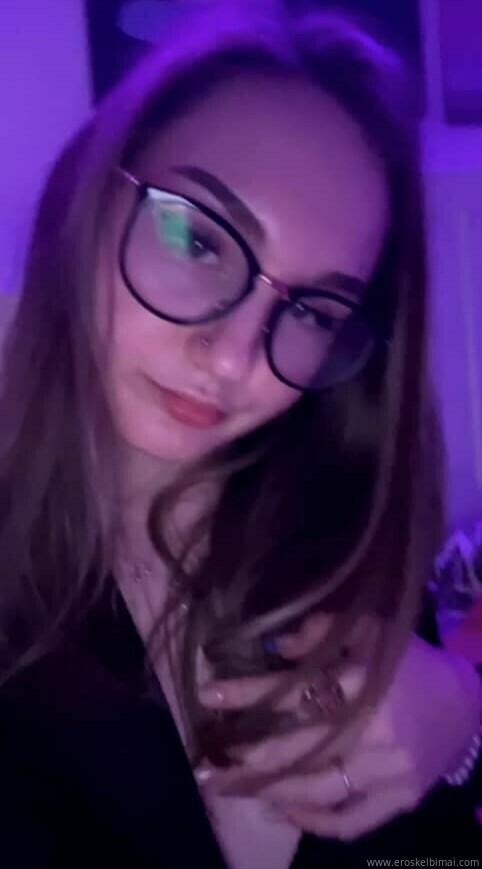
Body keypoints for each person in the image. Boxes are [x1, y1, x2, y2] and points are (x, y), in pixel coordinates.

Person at [0, 1, 480, 866]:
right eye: (195, 238)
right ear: (89, 203)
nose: (233, 358)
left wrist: (462, 721)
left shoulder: (345, 546)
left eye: (313, 309)